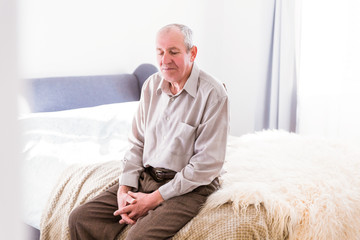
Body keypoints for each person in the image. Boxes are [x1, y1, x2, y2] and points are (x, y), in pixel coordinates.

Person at [68, 23, 229, 240]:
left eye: (173, 52)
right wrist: (124, 190)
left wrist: (152, 199)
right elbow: (137, 144)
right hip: (147, 176)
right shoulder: (151, 86)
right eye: (160, 52)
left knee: (137, 238)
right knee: (80, 218)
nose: (165, 60)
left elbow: (205, 166)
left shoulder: (213, 93)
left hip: (190, 187)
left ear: (193, 53)